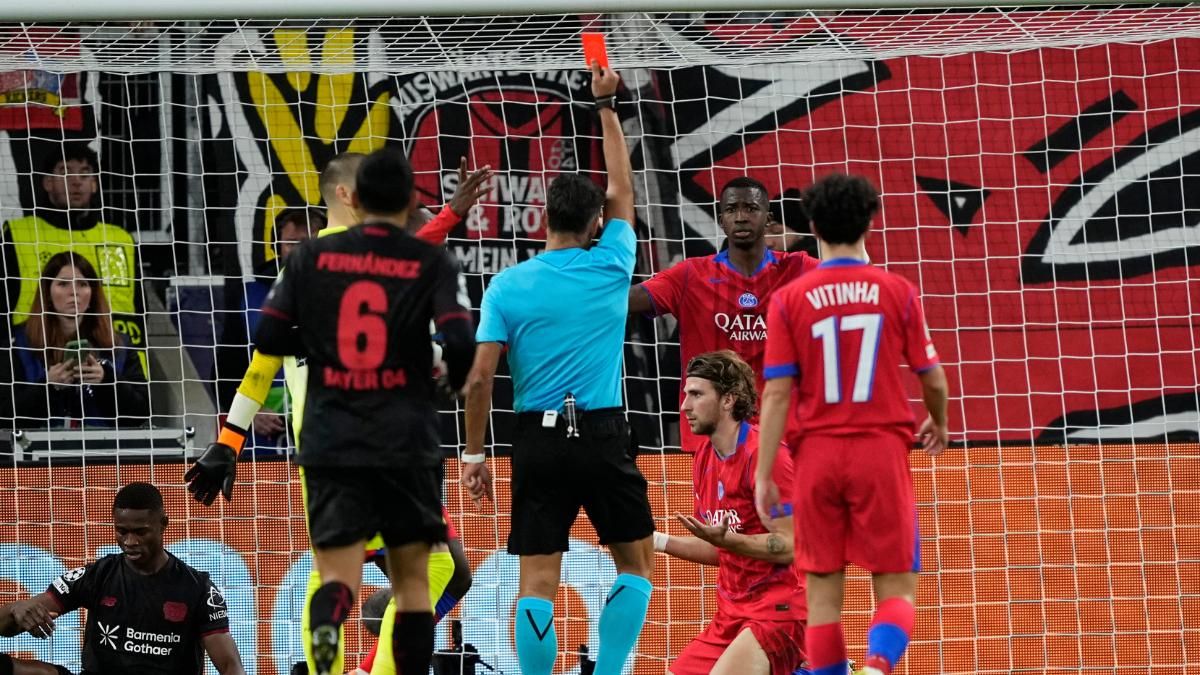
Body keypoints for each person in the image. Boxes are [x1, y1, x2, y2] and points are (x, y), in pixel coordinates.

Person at [191, 151, 487, 675]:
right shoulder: (398, 261)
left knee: (343, 570)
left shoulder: (306, 265)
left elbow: (264, 355)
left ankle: (333, 656)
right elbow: (426, 288)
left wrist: (228, 442)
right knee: (434, 570)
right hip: (396, 440)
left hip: (326, 445)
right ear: (351, 196)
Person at [460, 61, 655, 675]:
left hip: (535, 440)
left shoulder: (507, 287)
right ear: (596, 223)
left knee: (537, 582)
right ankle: (608, 671)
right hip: (600, 431)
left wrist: (472, 454)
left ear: (545, 219)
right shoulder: (612, 263)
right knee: (635, 566)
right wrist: (605, 105)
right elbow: (623, 190)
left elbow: (479, 379)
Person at [753, 173, 950, 675]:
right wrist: (938, 421)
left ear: (813, 225)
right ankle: (878, 669)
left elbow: (775, 393)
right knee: (897, 585)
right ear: (869, 222)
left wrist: (764, 473)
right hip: (879, 451)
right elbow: (934, 380)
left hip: (816, 455)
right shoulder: (896, 291)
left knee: (822, 598)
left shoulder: (789, 299)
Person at [626, 176, 819, 452]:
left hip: (781, 440)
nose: (740, 217)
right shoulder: (691, 275)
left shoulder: (797, 268)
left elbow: (855, 277)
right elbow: (624, 301)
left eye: (750, 208)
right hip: (712, 443)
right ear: (720, 219)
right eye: (731, 210)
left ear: (768, 218)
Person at [654, 350, 806, 675]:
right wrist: (654, 540)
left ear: (728, 400)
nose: (684, 406)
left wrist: (731, 542)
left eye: (696, 394)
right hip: (732, 612)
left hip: (781, 606)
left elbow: (794, 545)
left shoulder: (765, 457)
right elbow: (717, 546)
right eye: (685, 395)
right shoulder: (704, 456)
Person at [0, 482, 245, 675]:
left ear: (163, 525)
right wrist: (17, 610)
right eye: (122, 531)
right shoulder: (97, 575)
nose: (129, 541)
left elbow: (230, 667)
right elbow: (12, 622)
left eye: (140, 532)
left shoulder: (198, 589)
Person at [2, 143, 145, 372]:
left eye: (85, 173)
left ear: (95, 184)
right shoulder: (21, 235)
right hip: (37, 367)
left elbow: (138, 308)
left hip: (116, 371)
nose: (76, 180)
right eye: (65, 171)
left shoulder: (119, 239)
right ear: (47, 183)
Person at [214, 206, 329, 453]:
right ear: (277, 248)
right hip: (264, 437)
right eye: (293, 243)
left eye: (311, 242)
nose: (303, 251)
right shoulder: (250, 297)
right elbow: (224, 370)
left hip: (325, 429)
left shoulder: (342, 291)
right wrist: (253, 414)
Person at [6, 251, 149, 428]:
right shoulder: (17, 343)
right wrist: (48, 387)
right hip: (39, 452)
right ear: (47, 293)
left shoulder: (118, 344)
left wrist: (107, 381)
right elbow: (6, 415)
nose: (74, 292)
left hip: (106, 451)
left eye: (82, 284)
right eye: (63, 284)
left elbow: (142, 413)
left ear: (93, 294)